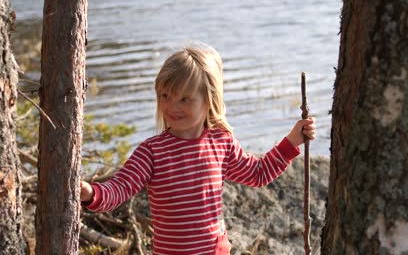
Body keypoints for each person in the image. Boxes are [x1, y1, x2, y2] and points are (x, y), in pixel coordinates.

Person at [80, 43, 316, 255]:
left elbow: (258, 174)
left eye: (185, 99)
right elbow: (120, 188)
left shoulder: (221, 142)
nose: (172, 106)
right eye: (165, 96)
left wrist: (292, 141)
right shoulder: (152, 152)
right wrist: (92, 193)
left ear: (208, 100)